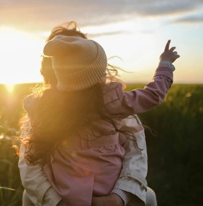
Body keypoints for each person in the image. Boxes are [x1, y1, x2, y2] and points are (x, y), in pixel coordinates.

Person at [17, 21, 179, 205]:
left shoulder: (42, 105)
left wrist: (119, 196)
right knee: (29, 196)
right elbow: (30, 168)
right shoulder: (113, 101)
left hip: (103, 193)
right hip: (61, 196)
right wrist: (165, 65)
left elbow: (135, 154)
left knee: (148, 197)